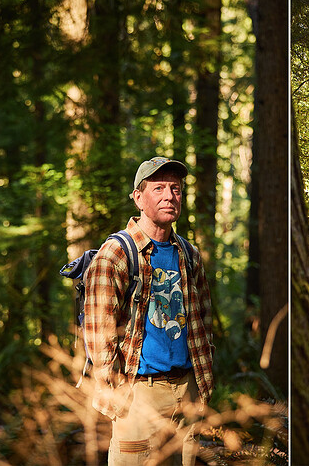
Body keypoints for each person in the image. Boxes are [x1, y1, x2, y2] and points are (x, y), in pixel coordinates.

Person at [84, 156, 214, 466]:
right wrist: (116, 393)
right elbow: (98, 330)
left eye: (176, 188)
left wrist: (203, 382)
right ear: (139, 198)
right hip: (139, 393)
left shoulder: (189, 253)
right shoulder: (116, 252)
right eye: (158, 189)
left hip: (187, 391)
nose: (170, 196)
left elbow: (204, 320)